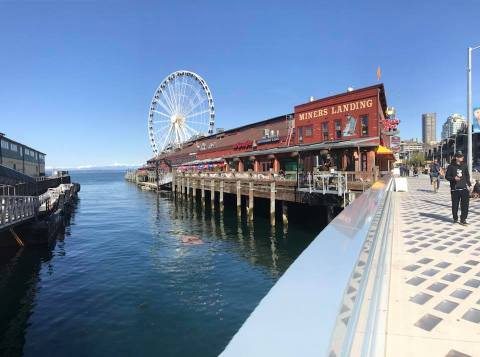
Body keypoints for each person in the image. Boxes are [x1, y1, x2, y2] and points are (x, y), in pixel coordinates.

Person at [445, 151, 472, 225]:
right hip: (455, 189)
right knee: (455, 205)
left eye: (462, 156)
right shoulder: (451, 166)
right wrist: (454, 178)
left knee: (465, 205)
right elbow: (447, 177)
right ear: (456, 158)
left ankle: (463, 219)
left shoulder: (464, 165)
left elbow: (467, 176)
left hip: (464, 189)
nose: (462, 157)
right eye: (460, 156)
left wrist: (469, 185)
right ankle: (455, 218)